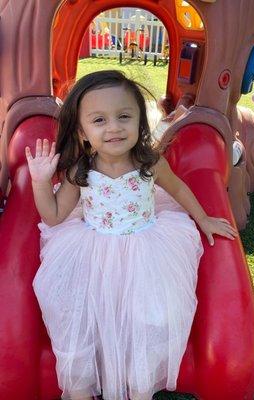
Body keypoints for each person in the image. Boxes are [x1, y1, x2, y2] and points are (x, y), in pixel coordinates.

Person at [25, 70, 238, 400]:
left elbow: (179, 189)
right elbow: (53, 217)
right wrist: (41, 181)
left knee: (148, 317)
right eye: (99, 120)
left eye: (124, 116)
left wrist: (204, 218)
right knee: (85, 315)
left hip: (145, 252)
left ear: (140, 121)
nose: (113, 127)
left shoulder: (149, 162)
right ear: (82, 132)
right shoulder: (79, 171)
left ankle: (139, 383)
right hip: (94, 253)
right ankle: (82, 386)